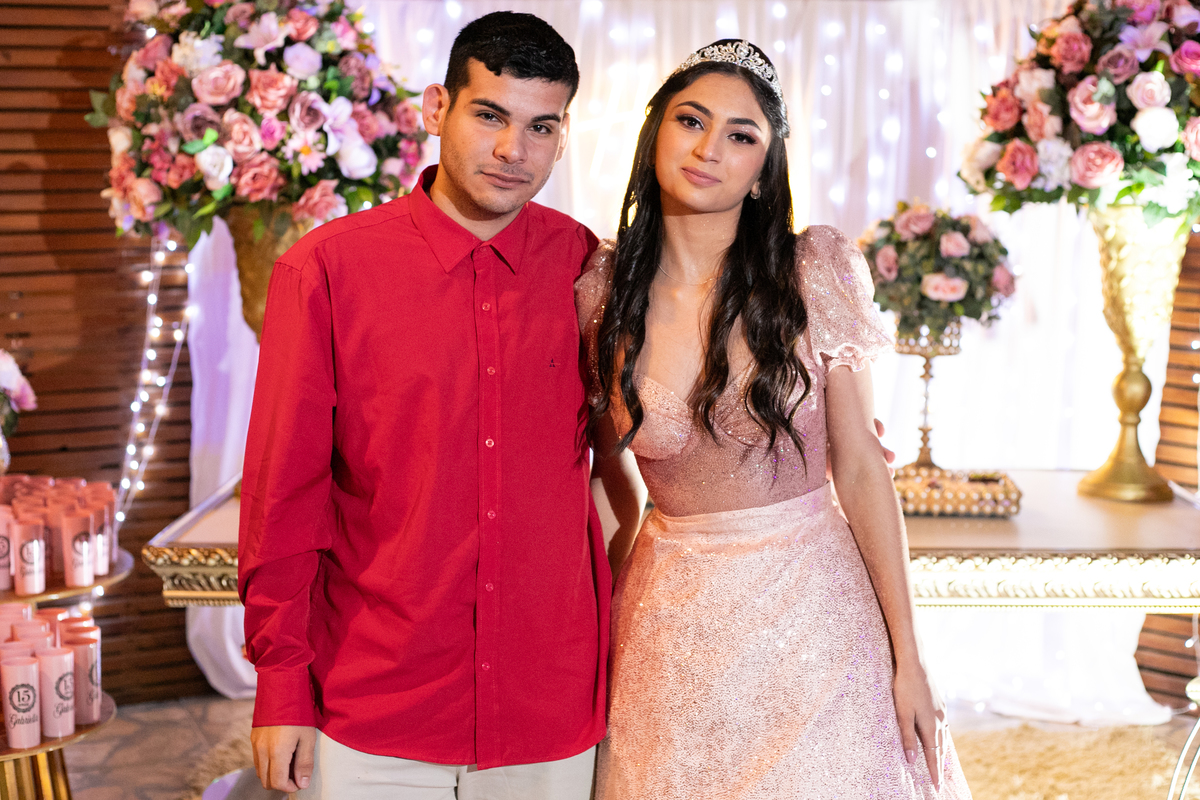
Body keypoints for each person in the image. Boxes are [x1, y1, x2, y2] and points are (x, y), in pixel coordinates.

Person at [576, 40, 973, 798]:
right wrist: (583, 632)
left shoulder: (813, 271)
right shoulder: (601, 290)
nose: (708, 148)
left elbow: (860, 467)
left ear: (764, 171)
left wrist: (911, 659)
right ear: (655, 132)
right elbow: (609, 479)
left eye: (741, 135)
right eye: (691, 120)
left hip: (816, 619)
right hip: (670, 627)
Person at [238, 13, 614, 798]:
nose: (513, 150)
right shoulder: (326, 272)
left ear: (562, 136)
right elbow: (284, 497)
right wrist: (281, 686)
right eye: (490, 115)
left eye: (540, 126)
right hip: (376, 706)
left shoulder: (586, 267)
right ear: (436, 107)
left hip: (546, 711)